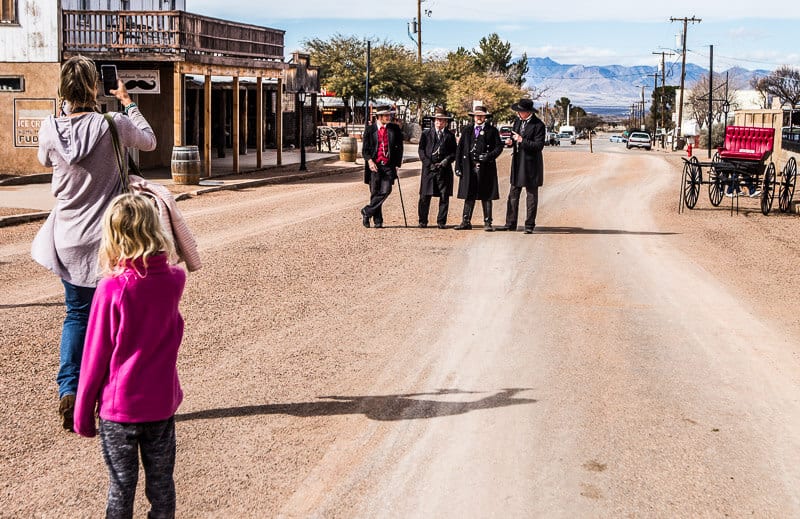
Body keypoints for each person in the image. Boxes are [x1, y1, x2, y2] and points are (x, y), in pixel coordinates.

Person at [31, 55, 156, 431]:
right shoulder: (114, 124)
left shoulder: (49, 128)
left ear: (62, 90)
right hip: (110, 239)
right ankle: (107, 396)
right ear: (94, 87)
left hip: (68, 237)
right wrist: (129, 103)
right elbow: (149, 142)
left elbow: (42, 160)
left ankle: (69, 392)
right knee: (116, 320)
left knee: (77, 315)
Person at [74, 193, 186, 519]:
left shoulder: (112, 290)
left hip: (119, 410)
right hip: (161, 405)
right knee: (162, 485)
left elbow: (95, 356)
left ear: (114, 236)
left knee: (121, 488)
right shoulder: (174, 281)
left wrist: (82, 412)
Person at [497, 98, 546, 234]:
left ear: (527, 112)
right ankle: (510, 223)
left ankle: (529, 225)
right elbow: (515, 138)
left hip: (531, 165)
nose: (518, 114)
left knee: (531, 196)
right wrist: (511, 142)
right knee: (513, 194)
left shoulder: (538, 125)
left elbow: (539, 146)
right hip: (518, 163)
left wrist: (521, 140)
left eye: (520, 111)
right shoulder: (517, 122)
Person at [454, 106, 504, 231]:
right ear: (474, 117)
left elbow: (499, 147)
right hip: (469, 167)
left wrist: (489, 156)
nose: (479, 118)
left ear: (485, 117)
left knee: (486, 195)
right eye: (477, 115)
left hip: (486, 167)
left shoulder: (492, 131)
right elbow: (459, 149)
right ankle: (466, 221)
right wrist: (458, 167)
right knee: (469, 194)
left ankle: (488, 222)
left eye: (482, 116)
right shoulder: (467, 130)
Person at [361, 107, 404, 229]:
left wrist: (397, 164)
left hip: (389, 165)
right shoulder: (370, 130)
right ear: (378, 117)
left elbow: (399, 148)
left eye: (389, 115)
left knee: (386, 190)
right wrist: (369, 161)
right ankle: (378, 221)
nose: (388, 117)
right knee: (375, 193)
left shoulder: (394, 129)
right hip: (374, 166)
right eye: (385, 115)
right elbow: (365, 150)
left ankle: (367, 211)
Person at [417, 111, 457, 228]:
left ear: (446, 122)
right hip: (429, 169)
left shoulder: (450, 136)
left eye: (443, 120)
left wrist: (446, 161)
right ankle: (423, 221)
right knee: (424, 196)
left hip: (444, 170)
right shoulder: (426, 134)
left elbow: (454, 152)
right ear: (434, 121)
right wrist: (429, 164)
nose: (440, 122)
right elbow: (421, 150)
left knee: (444, 196)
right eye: (438, 120)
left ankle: (441, 221)